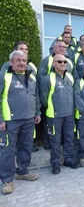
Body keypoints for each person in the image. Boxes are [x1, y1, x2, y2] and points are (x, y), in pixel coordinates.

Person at [0, 50, 41, 195]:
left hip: (29, 119)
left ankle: (22, 171)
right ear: (12, 62)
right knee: (7, 150)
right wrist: (1, 119)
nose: (22, 63)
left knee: (26, 146)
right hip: (10, 121)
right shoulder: (5, 76)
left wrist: (37, 112)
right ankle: (7, 180)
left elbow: (35, 95)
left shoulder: (31, 77)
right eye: (18, 60)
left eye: (24, 60)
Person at [40, 54, 79, 174]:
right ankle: (55, 163)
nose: (62, 64)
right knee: (55, 140)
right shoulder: (47, 79)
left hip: (69, 114)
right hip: (54, 116)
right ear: (53, 63)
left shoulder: (70, 77)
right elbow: (44, 98)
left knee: (69, 138)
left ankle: (68, 159)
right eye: (59, 62)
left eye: (64, 62)